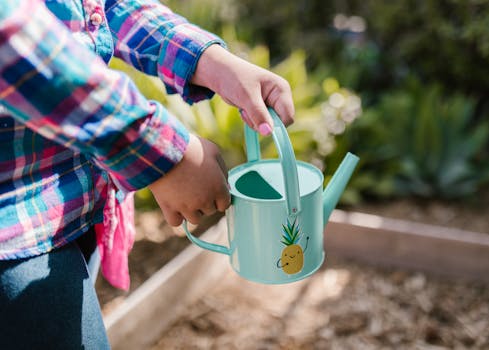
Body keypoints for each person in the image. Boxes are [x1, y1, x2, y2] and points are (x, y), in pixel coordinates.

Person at [0, 0, 294, 348]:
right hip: (14, 230)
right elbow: (12, 39)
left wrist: (209, 61)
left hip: (70, 207)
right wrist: (160, 153)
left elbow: (100, 8)